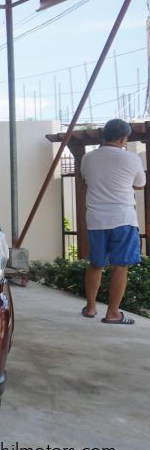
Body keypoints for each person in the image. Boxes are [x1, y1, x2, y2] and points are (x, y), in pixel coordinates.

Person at [80, 118, 145, 324]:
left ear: (104, 135)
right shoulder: (132, 159)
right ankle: (113, 313)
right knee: (120, 267)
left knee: (95, 264)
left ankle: (90, 308)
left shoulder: (87, 158)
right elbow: (139, 185)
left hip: (97, 220)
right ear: (124, 138)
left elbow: (86, 181)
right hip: (123, 219)